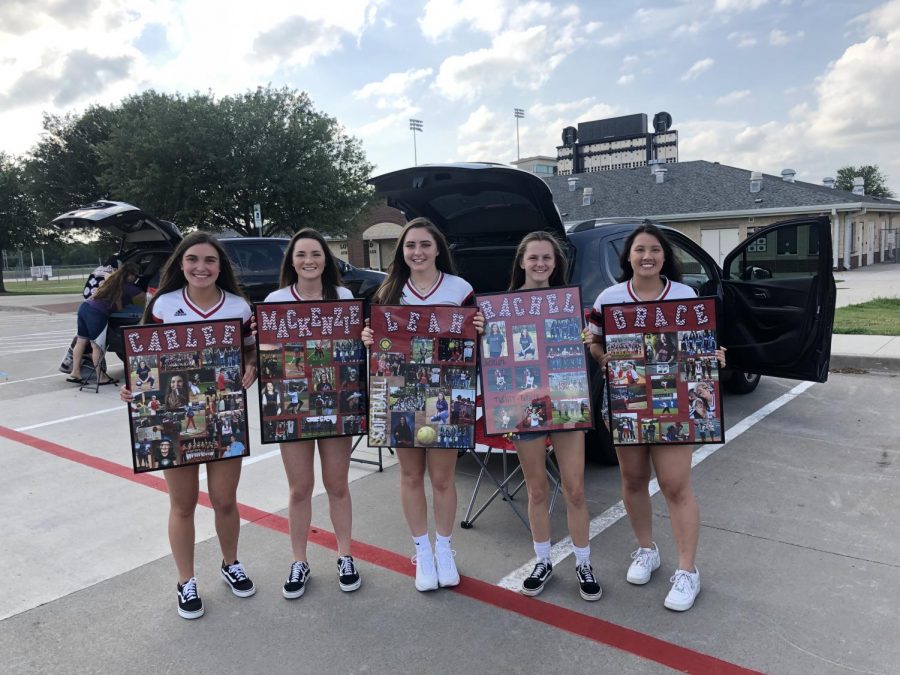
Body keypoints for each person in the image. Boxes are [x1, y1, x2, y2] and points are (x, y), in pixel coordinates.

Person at [119, 232, 258, 620]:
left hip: (223, 415)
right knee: (182, 504)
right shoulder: (163, 304)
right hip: (172, 417)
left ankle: (230, 564)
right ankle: (186, 580)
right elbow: (143, 353)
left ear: (220, 267)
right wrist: (134, 387)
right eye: (193, 259)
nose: (201, 267)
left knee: (225, 500)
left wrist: (252, 366)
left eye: (209, 261)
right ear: (180, 264)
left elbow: (250, 349)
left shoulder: (238, 307)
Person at [589, 223, 726, 612]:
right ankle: (646, 549)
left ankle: (687, 571)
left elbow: (704, 341)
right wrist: (603, 359)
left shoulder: (684, 294)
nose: (647, 256)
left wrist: (713, 358)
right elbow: (594, 339)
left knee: (675, 484)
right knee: (633, 479)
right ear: (627, 256)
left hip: (676, 402)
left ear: (665, 257)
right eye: (639, 250)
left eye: (655, 250)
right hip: (627, 399)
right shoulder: (609, 297)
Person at [361, 217, 484, 593]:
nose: (417, 252)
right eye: (410, 246)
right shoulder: (388, 291)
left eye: (424, 245)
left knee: (443, 479)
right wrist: (369, 336)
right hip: (400, 392)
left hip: (447, 391)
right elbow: (381, 342)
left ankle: (445, 548)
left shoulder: (460, 288)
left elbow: (475, 336)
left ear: (438, 249)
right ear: (402, 251)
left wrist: (481, 327)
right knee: (411, 476)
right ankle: (422, 552)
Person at [264, 228, 362, 598]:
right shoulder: (275, 299)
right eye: (301, 254)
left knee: (337, 485)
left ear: (327, 259)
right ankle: (299, 560)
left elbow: (353, 348)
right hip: (293, 403)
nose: (309, 261)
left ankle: (346, 555)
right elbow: (269, 352)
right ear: (291, 260)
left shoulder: (344, 298)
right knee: (300, 488)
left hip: (336, 400)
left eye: (316, 254)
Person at [504, 231, 602, 602]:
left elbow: (589, 346)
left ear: (556, 263)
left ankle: (583, 562)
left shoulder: (569, 304)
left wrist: (585, 338)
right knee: (536, 489)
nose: (541, 264)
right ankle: (542, 560)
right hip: (523, 405)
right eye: (534, 258)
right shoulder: (502, 306)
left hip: (564, 401)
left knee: (575, 489)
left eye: (548, 258)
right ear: (522, 262)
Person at [69, 262, 144, 384]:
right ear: (130, 275)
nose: (136, 279)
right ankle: (101, 377)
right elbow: (146, 298)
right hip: (97, 313)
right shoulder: (129, 287)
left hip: (84, 307)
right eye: (135, 276)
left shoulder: (112, 279)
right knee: (97, 346)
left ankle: (75, 373)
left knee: (81, 341)